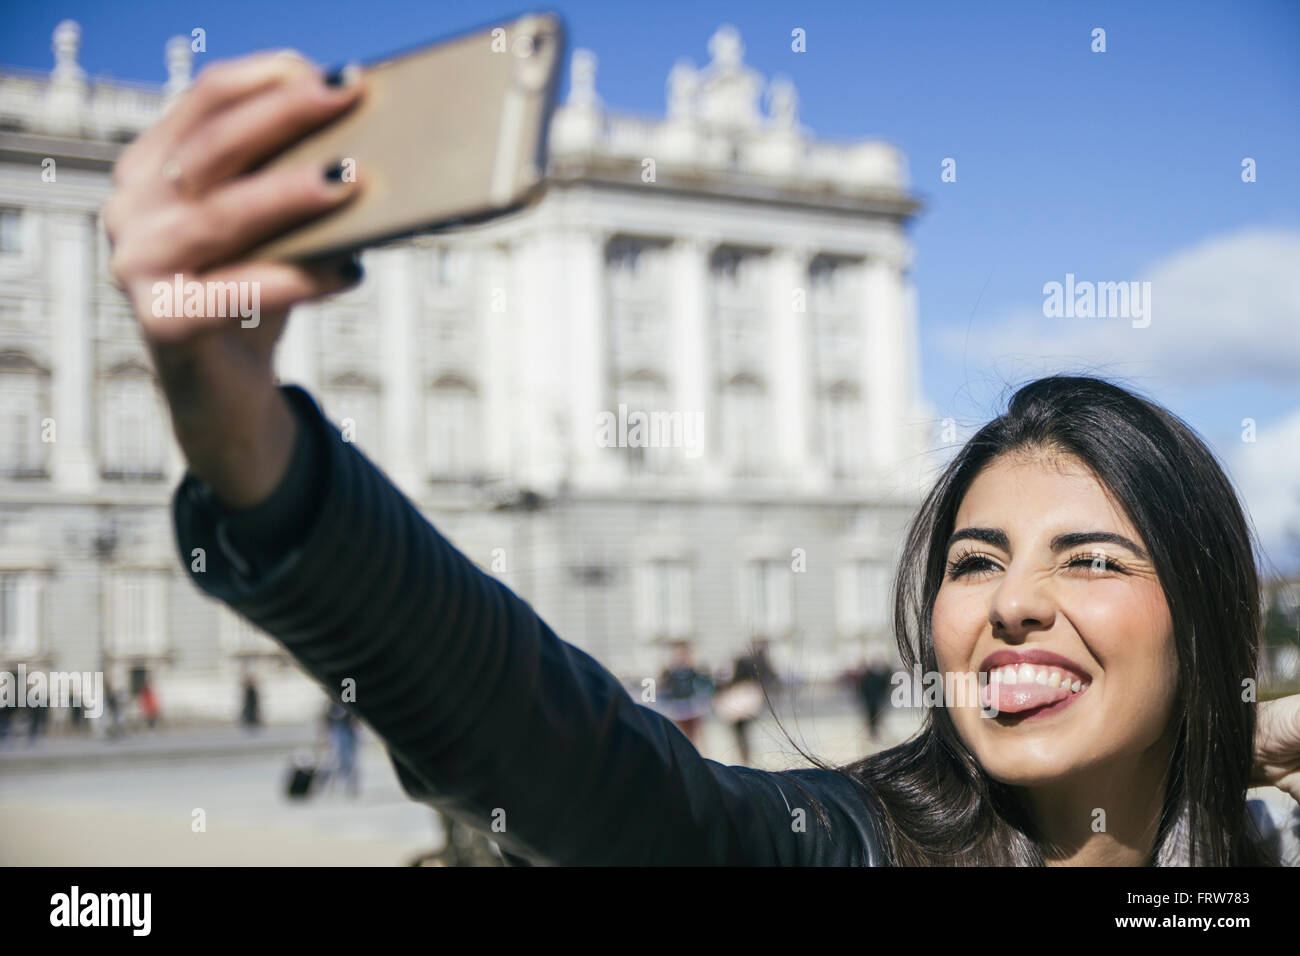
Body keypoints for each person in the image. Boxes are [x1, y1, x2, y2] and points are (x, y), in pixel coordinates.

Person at [103, 49, 1300, 865]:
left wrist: (1203, 748)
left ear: (1201, 613)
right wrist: (259, 459)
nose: (1014, 603)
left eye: (1087, 557)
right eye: (972, 561)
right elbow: (589, 778)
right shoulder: (848, 844)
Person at [658, 641, 713, 749]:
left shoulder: (695, 671)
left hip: (693, 706)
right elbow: (665, 689)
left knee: (696, 735)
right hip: (677, 707)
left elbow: (705, 685)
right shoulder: (669, 672)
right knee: (681, 735)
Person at [321, 700, 360, 797]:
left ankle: (348, 782)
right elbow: (326, 715)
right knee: (336, 757)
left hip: (347, 727)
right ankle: (333, 782)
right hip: (337, 726)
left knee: (349, 757)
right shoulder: (332, 701)